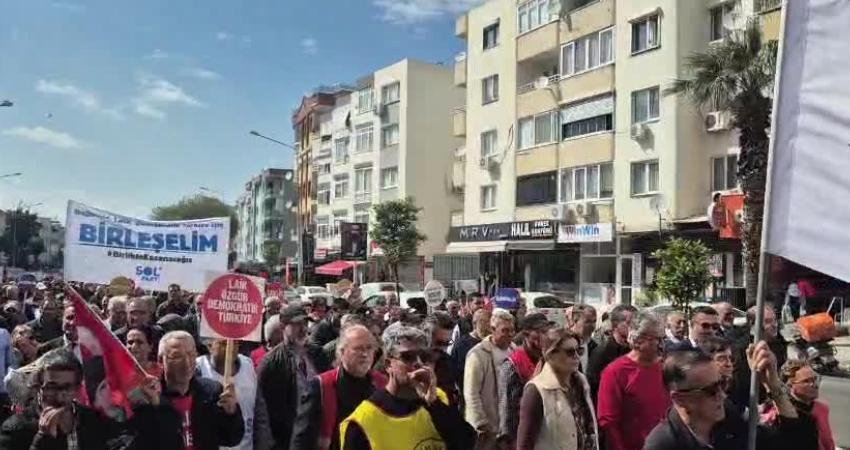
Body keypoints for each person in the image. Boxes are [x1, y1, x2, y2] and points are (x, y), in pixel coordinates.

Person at [642, 345, 818, 450]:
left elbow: (796, 442)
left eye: (722, 384)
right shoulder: (662, 444)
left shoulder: (729, 419)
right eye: (710, 390)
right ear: (679, 398)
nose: (721, 395)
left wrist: (772, 384)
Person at [339, 324, 475, 450]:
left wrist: (434, 404)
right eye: (408, 357)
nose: (418, 363)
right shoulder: (362, 422)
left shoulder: (438, 398)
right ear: (388, 364)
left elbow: (467, 443)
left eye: (424, 356)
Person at [132, 330, 245, 449]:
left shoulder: (212, 391)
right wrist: (156, 407)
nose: (187, 363)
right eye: (177, 357)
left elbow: (231, 439)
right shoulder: (149, 397)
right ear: (161, 360)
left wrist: (231, 413)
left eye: (191, 355)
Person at [0, 349, 132, 450]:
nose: (59, 396)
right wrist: (42, 439)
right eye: (51, 387)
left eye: (67, 388)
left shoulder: (94, 421)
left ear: (77, 388)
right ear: (38, 386)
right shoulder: (16, 428)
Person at [290, 324, 386, 450]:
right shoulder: (321, 386)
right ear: (342, 352)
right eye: (358, 349)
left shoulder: (382, 384)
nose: (365, 354)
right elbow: (301, 441)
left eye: (369, 348)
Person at [258, 305, 331, 450]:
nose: (303, 329)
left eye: (305, 323)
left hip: (318, 438)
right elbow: (263, 409)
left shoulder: (317, 354)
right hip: (288, 440)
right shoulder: (272, 362)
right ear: (282, 326)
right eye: (297, 324)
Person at [516, 329, 597, 450]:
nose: (576, 356)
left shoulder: (581, 383)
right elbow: (524, 444)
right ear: (550, 355)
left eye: (579, 351)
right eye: (570, 352)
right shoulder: (536, 390)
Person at [597, 313, 669, 450]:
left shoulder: (665, 367)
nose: (662, 345)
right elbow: (608, 421)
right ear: (638, 340)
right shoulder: (615, 372)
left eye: (663, 339)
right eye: (657, 340)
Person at [464, 308, 516, 450]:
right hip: (486, 428)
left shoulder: (514, 350)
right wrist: (481, 423)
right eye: (505, 330)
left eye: (512, 330)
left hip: (507, 426)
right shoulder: (478, 354)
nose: (510, 334)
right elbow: (471, 393)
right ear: (492, 329)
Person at [497, 312, 551, 449]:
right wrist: (508, 440)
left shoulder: (548, 359)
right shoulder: (512, 365)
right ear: (527, 335)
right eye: (541, 332)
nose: (546, 336)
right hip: (519, 435)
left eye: (547, 332)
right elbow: (506, 408)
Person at [197, 339, 261, 450]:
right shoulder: (198, 368)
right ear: (209, 345)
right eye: (223, 343)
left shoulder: (247, 364)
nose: (230, 347)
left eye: (235, 342)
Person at [762, 360, 834, 450]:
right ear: (790, 386)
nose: (815, 385)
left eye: (815, 379)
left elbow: (828, 442)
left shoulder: (821, 409)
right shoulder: (779, 414)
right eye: (806, 381)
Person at [586, 304, 637, 403]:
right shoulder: (602, 353)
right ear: (615, 325)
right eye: (629, 323)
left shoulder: (634, 349)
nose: (634, 327)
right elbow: (594, 389)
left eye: (636, 323)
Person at [421, 311, 459, 405]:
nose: (442, 348)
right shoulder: (408, 363)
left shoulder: (449, 362)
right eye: (438, 342)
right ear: (424, 335)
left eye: (447, 343)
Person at [567, 305, 598, 372]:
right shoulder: (563, 344)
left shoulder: (594, 346)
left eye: (594, 321)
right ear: (574, 321)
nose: (592, 326)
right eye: (587, 322)